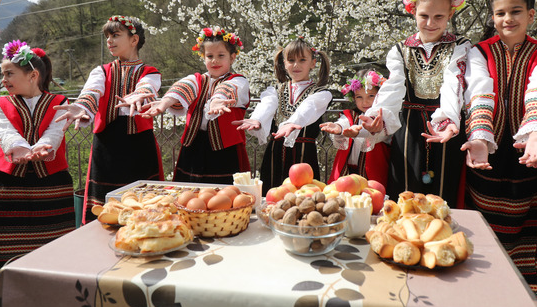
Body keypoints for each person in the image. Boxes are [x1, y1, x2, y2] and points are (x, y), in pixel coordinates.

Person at [430, 0, 537, 307]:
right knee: (483, 216)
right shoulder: (479, 51)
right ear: (492, 17)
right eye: (501, 13)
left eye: (516, 12)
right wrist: (479, 137)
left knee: (526, 215)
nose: (508, 19)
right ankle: (483, 289)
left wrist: (536, 134)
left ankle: (524, 298)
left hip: (526, 149)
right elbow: (479, 89)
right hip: (489, 146)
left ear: (531, 15)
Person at [359, 0, 471, 204]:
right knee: (405, 188)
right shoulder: (400, 50)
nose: (431, 22)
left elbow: (453, 83)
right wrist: (377, 115)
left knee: (444, 190)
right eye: (424, 16)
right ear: (413, 12)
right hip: (408, 129)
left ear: (450, 14)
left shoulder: (460, 46)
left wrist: (449, 120)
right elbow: (393, 88)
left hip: (445, 128)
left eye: (439, 16)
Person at [53, 15, 163, 223]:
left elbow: (147, 86)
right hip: (107, 144)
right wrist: (82, 106)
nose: (109, 41)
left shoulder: (150, 72)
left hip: (139, 144)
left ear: (134, 40)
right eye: (107, 36)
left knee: (143, 202)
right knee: (104, 206)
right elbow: (92, 91)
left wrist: (140, 95)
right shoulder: (101, 71)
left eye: (115, 35)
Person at [0, 41, 75, 266]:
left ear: (32, 75)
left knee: (56, 247)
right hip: (9, 183)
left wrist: (41, 148)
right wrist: (23, 150)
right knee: (11, 248)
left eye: (9, 74)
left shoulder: (59, 102)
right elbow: (6, 132)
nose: (3, 80)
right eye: (2, 74)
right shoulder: (1, 104)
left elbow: (55, 131)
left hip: (51, 182)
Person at [141, 27, 250, 184]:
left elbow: (228, 89)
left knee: (224, 192)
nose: (215, 60)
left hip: (225, 149)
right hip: (194, 144)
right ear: (203, 58)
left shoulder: (239, 81)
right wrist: (165, 102)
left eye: (221, 55)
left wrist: (218, 99)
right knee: (190, 189)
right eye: (209, 56)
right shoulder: (197, 79)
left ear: (232, 57)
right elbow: (184, 87)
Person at [236, 37, 332, 189]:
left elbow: (308, 107)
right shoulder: (276, 90)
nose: (296, 65)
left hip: (304, 155)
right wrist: (257, 119)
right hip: (274, 153)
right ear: (284, 63)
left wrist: (291, 123)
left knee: (302, 196)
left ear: (313, 63)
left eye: (302, 60)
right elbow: (267, 105)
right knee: (272, 191)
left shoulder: (321, 94)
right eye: (291, 60)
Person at [320, 68, 390, 186]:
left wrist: (364, 130)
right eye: (359, 97)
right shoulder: (351, 115)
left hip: (372, 169)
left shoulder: (383, 117)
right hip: (349, 168)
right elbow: (344, 123)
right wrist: (339, 128)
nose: (365, 102)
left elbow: (381, 134)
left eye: (371, 96)